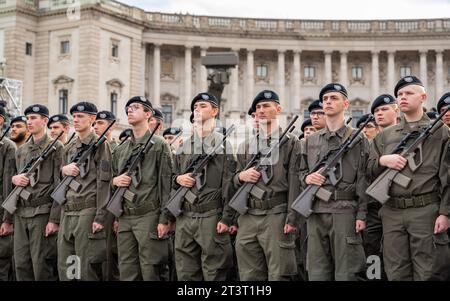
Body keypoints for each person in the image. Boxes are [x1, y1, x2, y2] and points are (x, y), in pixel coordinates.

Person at [367, 76, 450, 281]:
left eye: (409, 93)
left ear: (423, 97)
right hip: (392, 211)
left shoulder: (440, 132)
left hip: (426, 209)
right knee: (396, 271)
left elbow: (447, 176)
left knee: (428, 271)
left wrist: (445, 212)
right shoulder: (385, 136)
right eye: (400, 95)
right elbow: (367, 170)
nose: (403, 98)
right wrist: (383, 160)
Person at [298, 83, 369, 281]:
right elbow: (299, 172)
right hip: (315, 212)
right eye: (325, 99)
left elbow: (364, 178)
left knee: (347, 272)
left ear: (346, 104)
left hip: (345, 210)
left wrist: (362, 214)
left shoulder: (358, 138)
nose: (328, 102)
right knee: (317, 272)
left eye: (334, 98)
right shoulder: (309, 141)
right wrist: (306, 178)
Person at [233, 90, 299, 281]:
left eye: (266, 106)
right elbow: (232, 181)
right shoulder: (245, 145)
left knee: (278, 274)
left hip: (276, 214)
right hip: (248, 216)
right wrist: (241, 176)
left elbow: (295, 181)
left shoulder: (291, 142)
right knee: (248, 275)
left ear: (278, 109)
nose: (261, 111)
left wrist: (292, 217)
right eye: (258, 107)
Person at [172, 92, 235, 281]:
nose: (197, 109)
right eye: (195, 107)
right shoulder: (183, 146)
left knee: (214, 271)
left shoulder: (223, 145)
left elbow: (229, 185)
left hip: (211, 216)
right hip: (185, 216)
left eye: (203, 106)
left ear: (215, 111)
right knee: (185, 272)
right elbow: (170, 178)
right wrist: (178, 179)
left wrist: (226, 218)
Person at [111, 96, 173, 281]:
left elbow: (166, 185)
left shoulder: (159, 145)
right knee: (127, 269)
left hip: (149, 216)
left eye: (136, 107)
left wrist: (164, 219)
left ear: (148, 114)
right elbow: (110, 183)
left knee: (151, 270)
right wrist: (115, 181)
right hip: (125, 216)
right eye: (128, 108)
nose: (130, 110)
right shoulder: (121, 150)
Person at [57, 101, 112, 281]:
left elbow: (104, 183)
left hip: (87, 211)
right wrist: (63, 170)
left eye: (81, 116)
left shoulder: (101, 145)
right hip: (68, 211)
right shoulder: (69, 148)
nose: (76, 120)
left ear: (92, 119)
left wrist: (100, 216)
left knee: (85, 267)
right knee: (66, 267)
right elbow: (59, 182)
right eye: (74, 116)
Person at [10, 104, 62, 280]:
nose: (29, 122)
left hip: (41, 212)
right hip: (20, 212)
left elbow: (59, 185)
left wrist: (54, 219)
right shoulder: (22, 150)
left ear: (45, 121)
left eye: (33, 118)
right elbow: (14, 181)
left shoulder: (56, 147)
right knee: (21, 263)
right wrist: (15, 179)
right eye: (28, 119)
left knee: (41, 265)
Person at [0, 121, 16, 281]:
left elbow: (7, 185)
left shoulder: (7, 147)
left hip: (1, 212)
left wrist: (7, 218)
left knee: (2, 262)